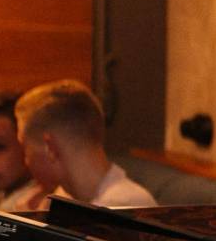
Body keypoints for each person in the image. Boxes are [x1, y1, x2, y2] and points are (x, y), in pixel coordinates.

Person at [14, 80, 156, 208]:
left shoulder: (124, 207)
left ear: (50, 148)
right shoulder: (63, 198)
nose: (26, 162)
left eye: (25, 148)